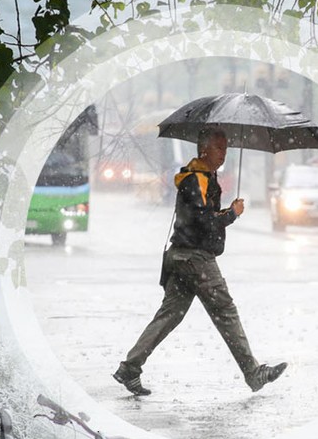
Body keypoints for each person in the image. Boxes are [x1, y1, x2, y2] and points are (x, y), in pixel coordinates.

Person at [113, 126, 287, 396]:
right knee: (225, 312)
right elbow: (204, 222)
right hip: (196, 259)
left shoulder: (201, 178)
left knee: (169, 315)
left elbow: (202, 216)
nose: (223, 154)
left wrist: (226, 211)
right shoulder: (198, 180)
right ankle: (253, 373)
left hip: (181, 257)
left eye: (226, 149)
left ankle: (129, 368)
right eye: (219, 148)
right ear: (204, 149)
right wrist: (232, 213)